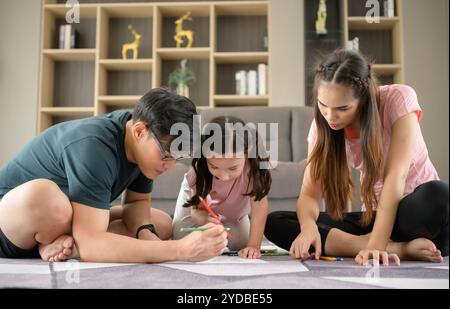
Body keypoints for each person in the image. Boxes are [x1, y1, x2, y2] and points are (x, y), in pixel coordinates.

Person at [0, 88, 228, 263]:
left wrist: (144, 233)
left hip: (68, 216)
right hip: (12, 223)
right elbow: (91, 238)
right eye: (167, 155)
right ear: (140, 131)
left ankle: (65, 245)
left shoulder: (139, 144)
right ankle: (76, 245)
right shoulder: (94, 145)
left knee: (160, 222)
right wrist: (180, 250)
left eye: (178, 157)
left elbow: (137, 203)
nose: (170, 165)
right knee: (47, 198)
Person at [265, 50, 448, 266]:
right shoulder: (321, 127)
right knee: (276, 221)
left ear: (363, 100)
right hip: (375, 219)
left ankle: (380, 243)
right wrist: (308, 229)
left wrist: (376, 246)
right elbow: (309, 196)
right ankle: (400, 248)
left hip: (418, 218)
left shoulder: (398, 99)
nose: (330, 117)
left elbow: (395, 178)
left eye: (342, 108)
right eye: (323, 105)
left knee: (439, 193)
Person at [172, 116, 272, 259]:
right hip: (199, 207)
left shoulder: (254, 170)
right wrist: (205, 221)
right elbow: (198, 209)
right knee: (181, 239)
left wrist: (254, 245)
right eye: (214, 166)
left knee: (242, 244)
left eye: (232, 168)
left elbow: (260, 208)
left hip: (233, 210)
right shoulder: (199, 171)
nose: (224, 177)